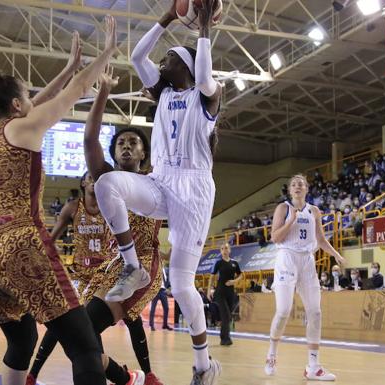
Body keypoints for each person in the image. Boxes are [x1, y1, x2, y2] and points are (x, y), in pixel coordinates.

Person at [0, 18, 117, 385]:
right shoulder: (24, 128)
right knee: (84, 346)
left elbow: (37, 100)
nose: (35, 100)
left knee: (22, 340)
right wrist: (109, 51)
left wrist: (68, 66)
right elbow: (76, 91)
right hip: (18, 245)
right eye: (28, 97)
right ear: (18, 104)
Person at [94, 1, 223, 383]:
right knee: (108, 184)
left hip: (195, 189)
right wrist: (167, 16)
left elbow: (204, 75)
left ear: (185, 64)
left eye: (169, 58)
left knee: (183, 284)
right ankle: (131, 265)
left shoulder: (206, 95)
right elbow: (136, 55)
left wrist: (203, 29)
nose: (162, 61)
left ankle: (203, 365)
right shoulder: (164, 95)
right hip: (162, 181)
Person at [27, 71, 166, 385]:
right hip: (114, 268)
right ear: (113, 153)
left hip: (144, 265)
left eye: (133, 143)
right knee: (81, 337)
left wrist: (163, 102)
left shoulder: (155, 178)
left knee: (89, 331)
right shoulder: (105, 179)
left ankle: (141, 375)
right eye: (120, 144)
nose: (126, 147)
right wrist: (103, 90)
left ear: (144, 153)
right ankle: (128, 378)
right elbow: (90, 139)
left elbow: (172, 143)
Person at [264, 174, 346, 381]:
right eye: (293, 184)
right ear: (290, 190)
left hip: (307, 261)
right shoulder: (283, 208)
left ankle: (313, 366)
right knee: (283, 311)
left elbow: (320, 239)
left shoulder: (314, 211)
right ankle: (271, 354)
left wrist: (336, 254)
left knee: (315, 312)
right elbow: (275, 237)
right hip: (287, 258)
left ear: (307, 188)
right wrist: (291, 221)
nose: (297, 186)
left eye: (301, 184)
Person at [207, 243, 242, 346]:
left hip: (230, 293)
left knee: (228, 315)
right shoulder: (218, 263)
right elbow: (212, 277)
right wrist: (209, 291)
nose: (224, 250)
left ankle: (224, 336)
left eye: (226, 248)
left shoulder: (234, 263)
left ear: (229, 250)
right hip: (220, 292)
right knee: (226, 315)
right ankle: (225, 339)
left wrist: (234, 282)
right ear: (221, 251)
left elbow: (241, 275)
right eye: (222, 249)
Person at [150, 262, 173, 331]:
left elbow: (167, 281)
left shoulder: (165, 270)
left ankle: (165, 325)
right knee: (153, 309)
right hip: (155, 291)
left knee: (166, 308)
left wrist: (169, 288)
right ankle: (152, 325)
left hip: (163, 291)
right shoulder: (154, 269)